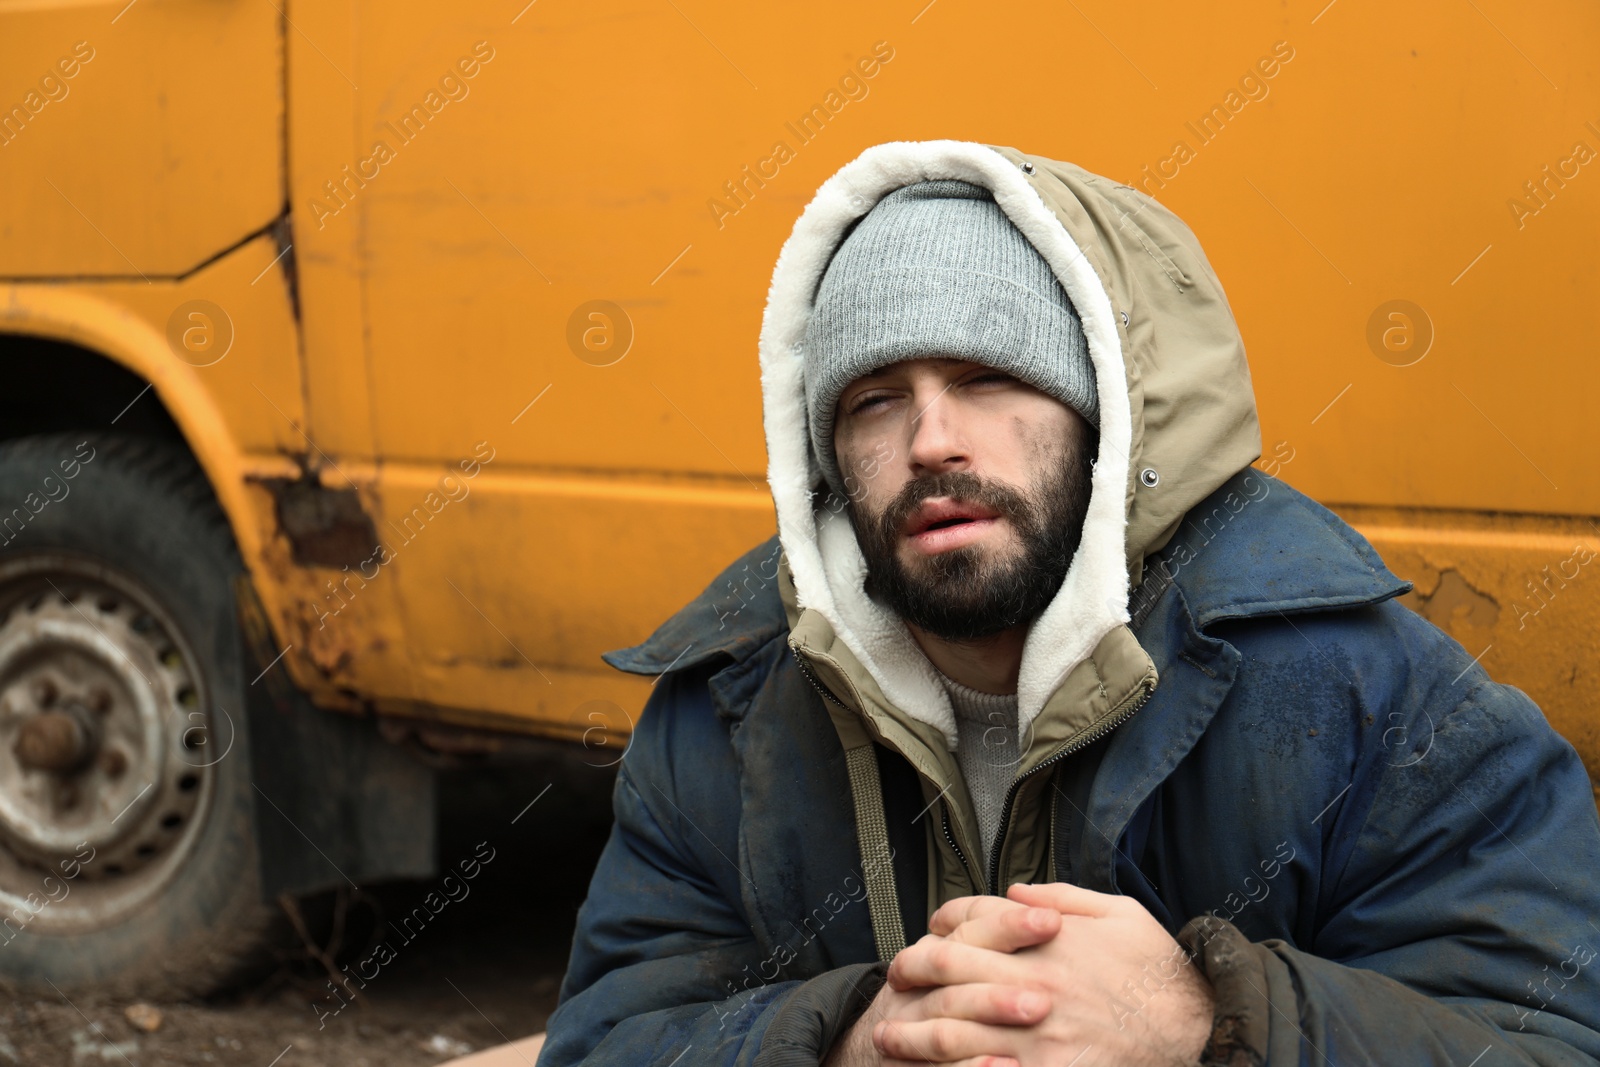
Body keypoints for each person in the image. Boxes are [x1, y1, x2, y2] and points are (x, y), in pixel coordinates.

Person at [538, 140, 1600, 1066]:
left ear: (1107, 420)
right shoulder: (726, 709)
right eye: (873, 400)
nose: (932, 440)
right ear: (822, 458)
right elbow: (610, 1037)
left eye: (990, 376)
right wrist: (850, 1039)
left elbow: (1548, 1037)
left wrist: (1205, 1017)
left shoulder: (1367, 696)